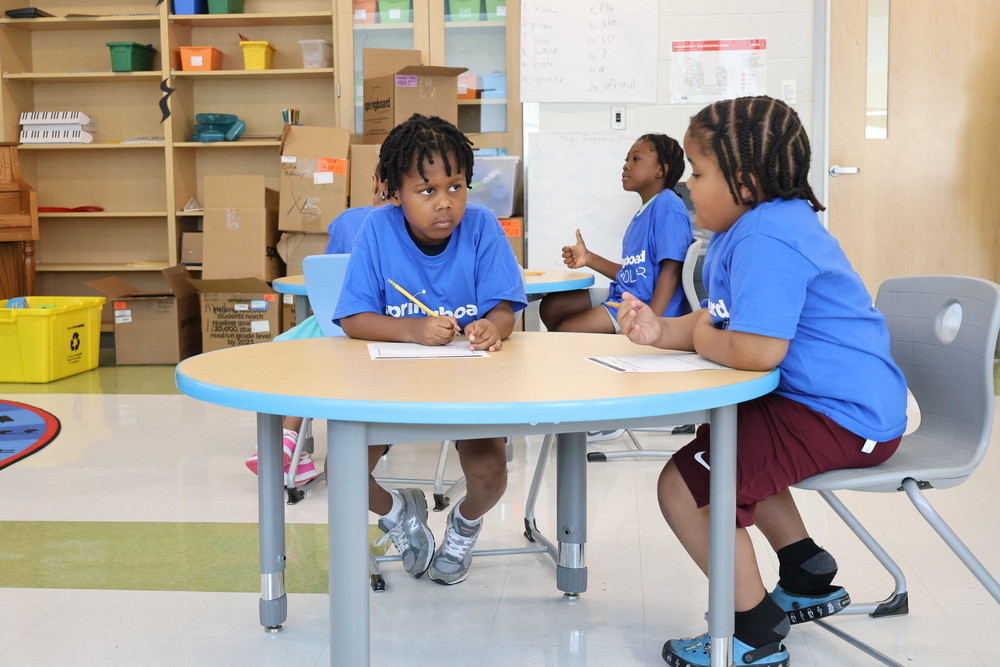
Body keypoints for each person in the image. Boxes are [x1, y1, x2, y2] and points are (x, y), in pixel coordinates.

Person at [615, 96, 907, 667]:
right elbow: (714, 321)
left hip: (845, 416)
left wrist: (699, 338)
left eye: (699, 174)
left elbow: (754, 351)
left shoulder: (764, 238)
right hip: (835, 404)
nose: (689, 187)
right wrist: (659, 329)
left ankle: (752, 632)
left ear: (745, 182)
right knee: (732, 443)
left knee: (685, 487)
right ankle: (806, 572)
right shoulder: (748, 228)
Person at [333, 113, 527, 585]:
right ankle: (399, 512)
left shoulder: (481, 227)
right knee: (344, 468)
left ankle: (463, 525)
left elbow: (506, 308)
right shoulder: (378, 231)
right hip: (391, 383)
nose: (446, 204)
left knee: (489, 476)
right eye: (427, 191)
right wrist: (414, 330)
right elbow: (354, 318)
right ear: (393, 192)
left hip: (470, 384)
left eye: (456, 187)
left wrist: (492, 326)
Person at [244, 169, 390, 485]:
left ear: (375, 181)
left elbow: (328, 285)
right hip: (388, 334)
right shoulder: (412, 229)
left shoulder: (347, 220)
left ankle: (286, 438)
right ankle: (293, 450)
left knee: (300, 349)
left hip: (338, 329)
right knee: (321, 346)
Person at [539, 133, 693, 334]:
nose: (626, 165)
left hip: (643, 306)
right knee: (552, 305)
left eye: (636, 159)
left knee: (564, 331)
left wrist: (650, 323)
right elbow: (634, 275)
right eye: (626, 159)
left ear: (660, 170)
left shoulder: (668, 206)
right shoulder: (644, 212)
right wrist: (588, 257)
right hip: (625, 295)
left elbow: (671, 271)